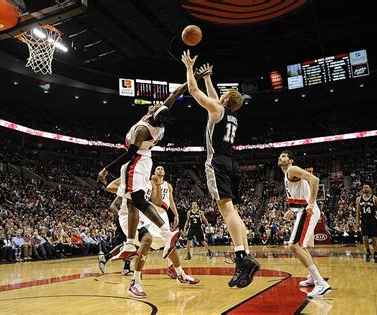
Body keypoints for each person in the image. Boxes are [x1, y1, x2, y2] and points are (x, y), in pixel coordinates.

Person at [97, 69, 210, 261]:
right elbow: (176, 93)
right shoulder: (160, 119)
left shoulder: (142, 130)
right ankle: (130, 243)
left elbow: (129, 154)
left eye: (155, 106)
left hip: (136, 161)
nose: (155, 104)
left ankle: (165, 233)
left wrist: (106, 169)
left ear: (153, 113)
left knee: (137, 200)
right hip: (145, 159)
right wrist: (195, 77)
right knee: (132, 201)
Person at [181, 50, 259, 288]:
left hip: (217, 162)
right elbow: (213, 96)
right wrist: (207, 78)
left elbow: (193, 92)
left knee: (226, 210)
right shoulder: (232, 115)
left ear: (225, 100)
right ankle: (245, 254)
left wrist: (188, 67)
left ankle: (241, 256)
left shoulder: (217, 111)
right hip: (232, 162)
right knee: (232, 210)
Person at [278, 150, 332, 299]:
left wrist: (311, 203)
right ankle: (312, 277)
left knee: (294, 245)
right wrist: (291, 209)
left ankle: (321, 283)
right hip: (302, 209)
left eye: (284, 156)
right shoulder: (287, 173)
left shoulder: (292, 169)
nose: (280, 158)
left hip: (307, 210)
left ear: (290, 160)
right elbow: (299, 194)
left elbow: (314, 180)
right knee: (301, 246)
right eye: (280, 156)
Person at [356, 184, 377, 263]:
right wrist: (357, 221)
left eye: (366, 187)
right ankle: (368, 252)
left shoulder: (375, 198)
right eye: (363, 187)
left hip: (372, 219)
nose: (365, 188)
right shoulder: (358, 199)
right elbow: (358, 211)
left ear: (370, 189)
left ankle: (376, 254)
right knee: (365, 237)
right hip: (364, 219)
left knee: (374, 238)